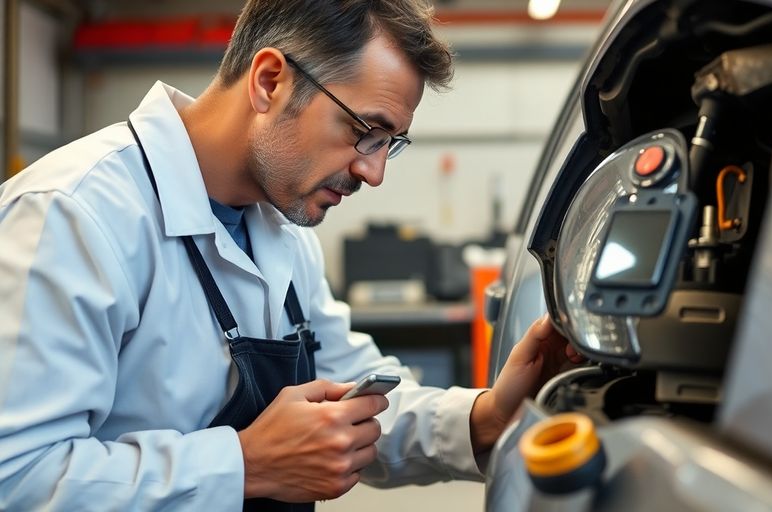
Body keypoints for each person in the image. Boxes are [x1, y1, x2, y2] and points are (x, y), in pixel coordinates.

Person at [0, 1, 583, 510]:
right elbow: (18, 478)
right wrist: (245, 465)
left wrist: (484, 418)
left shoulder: (284, 227)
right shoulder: (73, 215)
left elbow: (351, 394)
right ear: (270, 81)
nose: (373, 172)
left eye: (389, 146)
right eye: (365, 131)